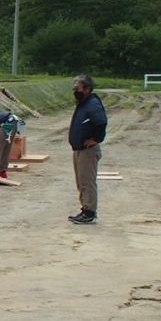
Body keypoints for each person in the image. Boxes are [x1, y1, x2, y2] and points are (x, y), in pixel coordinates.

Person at [68, 74, 107, 224]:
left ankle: (90, 212)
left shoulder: (92, 104)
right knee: (81, 181)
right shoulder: (84, 103)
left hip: (88, 151)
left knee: (87, 182)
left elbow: (101, 123)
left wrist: (96, 139)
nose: (75, 91)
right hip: (79, 149)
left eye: (77, 89)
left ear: (87, 89)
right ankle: (85, 209)